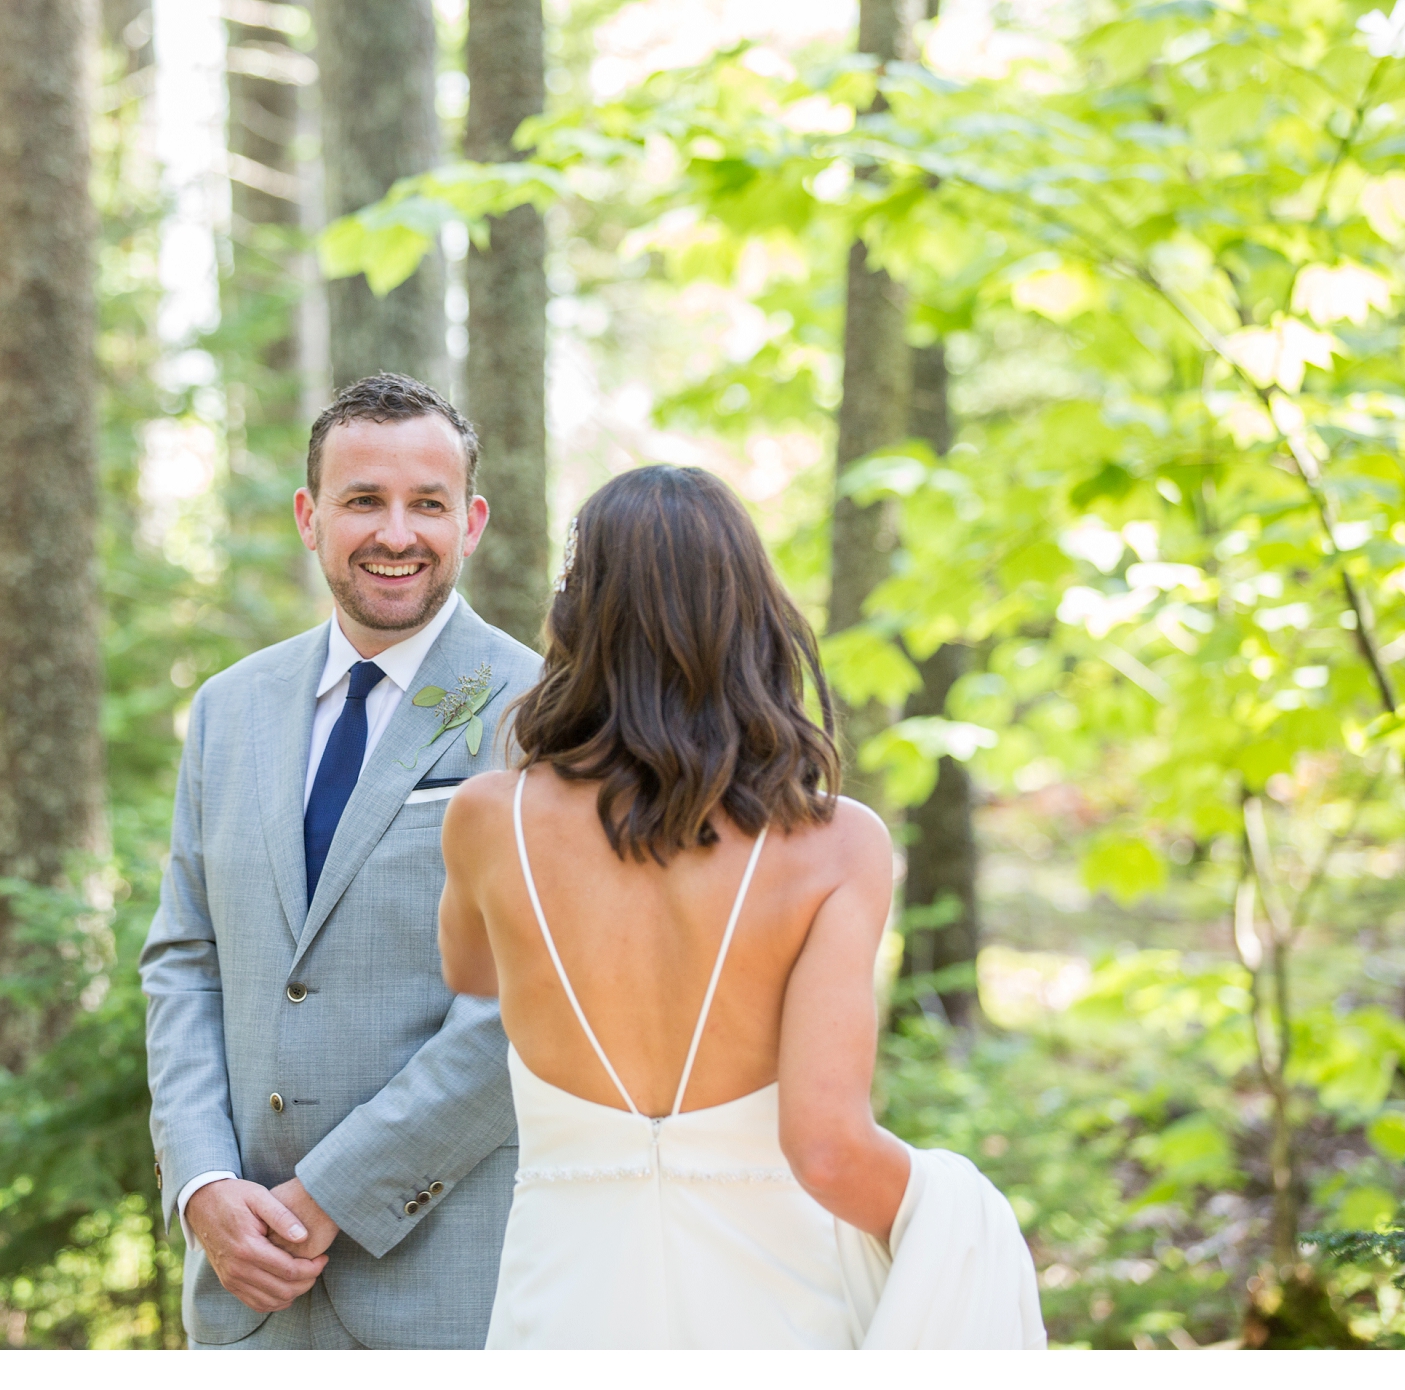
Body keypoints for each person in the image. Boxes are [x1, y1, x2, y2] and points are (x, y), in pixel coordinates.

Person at [439, 464, 1042, 1349]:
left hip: (562, 1307)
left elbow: (472, 971)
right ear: (753, 613)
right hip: (775, 1311)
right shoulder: (837, 844)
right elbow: (828, 1150)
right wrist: (958, 1211)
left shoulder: (489, 819)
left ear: (578, 616)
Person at [141, 373, 544, 1350]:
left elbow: (528, 1006)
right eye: (364, 500)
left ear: (473, 521)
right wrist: (202, 1187)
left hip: (442, 1282)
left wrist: (329, 1193)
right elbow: (185, 960)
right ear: (309, 516)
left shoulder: (542, 712)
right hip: (242, 1293)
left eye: (428, 504)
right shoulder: (230, 709)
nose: (395, 533)